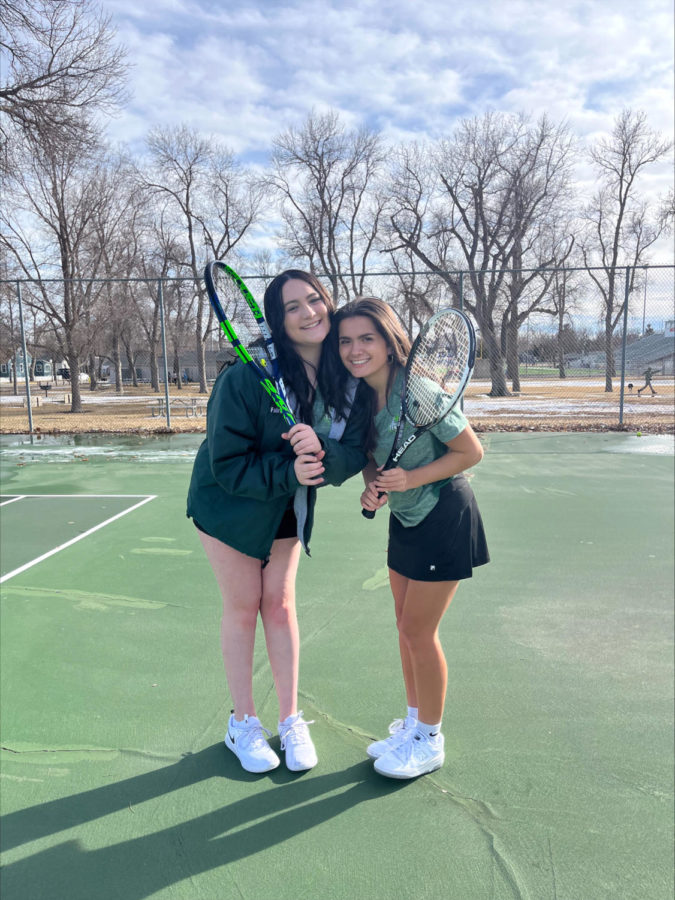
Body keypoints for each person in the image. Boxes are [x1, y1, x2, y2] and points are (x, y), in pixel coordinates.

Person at [187, 270, 368, 775]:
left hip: (288, 505)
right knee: (244, 607)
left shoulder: (346, 381)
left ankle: (290, 720)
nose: (310, 312)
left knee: (281, 603)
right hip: (228, 504)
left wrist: (324, 460)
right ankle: (242, 723)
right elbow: (226, 463)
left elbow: (351, 451)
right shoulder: (244, 377)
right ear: (278, 320)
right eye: (293, 307)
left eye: (315, 300)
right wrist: (287, 470)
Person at [334, 298, 490, 780]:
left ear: (387, 341)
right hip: (404, 518)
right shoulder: (361, 395)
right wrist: (372, 485)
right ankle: (413, 724)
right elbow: (372, 456)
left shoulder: (417, 391)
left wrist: (412, 478)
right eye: (345, 341)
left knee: (420, 632)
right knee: (405, 628)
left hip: (443, 515)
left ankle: (430, 740)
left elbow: (471, 452)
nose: (355, 350)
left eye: (366, 339)